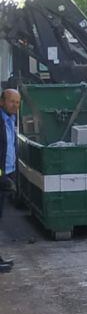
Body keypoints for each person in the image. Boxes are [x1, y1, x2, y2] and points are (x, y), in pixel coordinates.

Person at [0, 88, 20, 273]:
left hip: (7, 174)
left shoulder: (10, 120)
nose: (15, 105)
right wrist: (1, 176)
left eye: (17, 102)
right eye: (11, 101)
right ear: (2, 102)